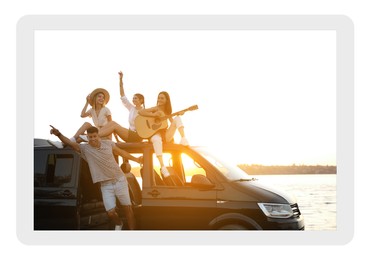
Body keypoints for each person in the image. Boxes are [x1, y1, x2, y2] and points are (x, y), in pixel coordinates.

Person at [49, 125, 141, 230]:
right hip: (105, 185)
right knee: (110, 212)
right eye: (90, 137)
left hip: (119, 180)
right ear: (87, 138)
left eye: (94, 136)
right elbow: (69, 143)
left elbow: (122, 153)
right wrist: (58, 134)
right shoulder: (85, 149)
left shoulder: (109, 144)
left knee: (127, 209)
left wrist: (137, 160)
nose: (93, 139)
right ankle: (119, 223)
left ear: (99, 136)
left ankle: (133, 233)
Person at [137, 91, 189, 179]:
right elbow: (141, 112)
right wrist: (153, 114)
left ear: (166, 100)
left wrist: (178, 114)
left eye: (162, 98)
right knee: (157, 140)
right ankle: (163, 166)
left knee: (177, 118)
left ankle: (183, 138)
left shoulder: (167, 112)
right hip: (154, 134)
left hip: (165, 135)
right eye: (159, 97)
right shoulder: (155, 108)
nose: (160, 99)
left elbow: (173, 123)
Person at [48, 88, 112, 148]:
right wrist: (87, 102)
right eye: (99, 96)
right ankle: (66, 143)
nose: (102, 98)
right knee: (87, 124)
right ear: (95, 98)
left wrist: (115, 139)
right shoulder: (92, 110)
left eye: (103, 97)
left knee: (80, 138)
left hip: (105, 135)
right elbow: (82, 115)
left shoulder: (106, 110)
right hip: (96, 133)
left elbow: (111, 125)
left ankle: (64, 144)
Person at [97, 71, 145, 142]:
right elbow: (122, 95)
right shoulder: (131, 108)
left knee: (115, 126)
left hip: (137, 136)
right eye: (133, 98)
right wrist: (120, 79)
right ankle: (95, 134)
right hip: (130, 133)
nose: (133, 99)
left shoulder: (145, 111)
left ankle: (94, 136)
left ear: (141, 100)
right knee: (112, 123)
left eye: (135, 98)